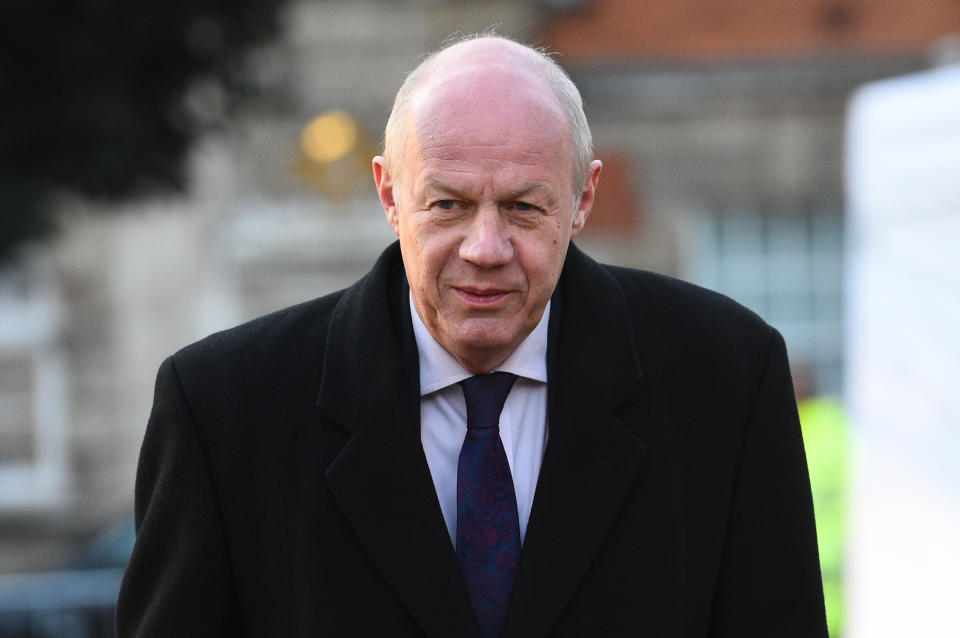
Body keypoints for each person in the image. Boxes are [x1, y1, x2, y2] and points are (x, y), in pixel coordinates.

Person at [117, 34, 827, 637]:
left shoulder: (726, 379)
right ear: (390, 193)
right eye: (448, 205)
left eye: (522, 207)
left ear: (582, 198)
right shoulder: (224, 409)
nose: (485, 248)